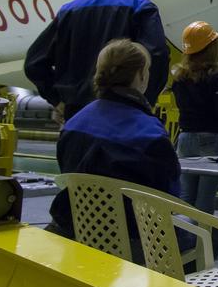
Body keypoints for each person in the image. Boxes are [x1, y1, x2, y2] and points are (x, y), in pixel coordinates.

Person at [48, 39, 180, 251]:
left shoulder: (74, 123)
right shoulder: (149, 133)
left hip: (74, 231)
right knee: (214, 235)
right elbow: (170, 199)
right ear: (140, 76)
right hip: (134, 241)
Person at [25, 0, 169, 122]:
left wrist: (57, 99)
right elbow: (158, 54)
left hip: (77, 112)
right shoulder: (141, 8)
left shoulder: (69, 11)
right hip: (124, 111)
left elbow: (34, 63)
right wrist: (147, 99)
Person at [171, 22, 218, 216]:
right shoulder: (215, 77)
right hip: (213, 140)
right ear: (212, 48)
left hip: (186, 139)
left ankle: (183, 234)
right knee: (205, 198)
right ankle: (203, 235)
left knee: (186, 196)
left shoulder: (179, 78)